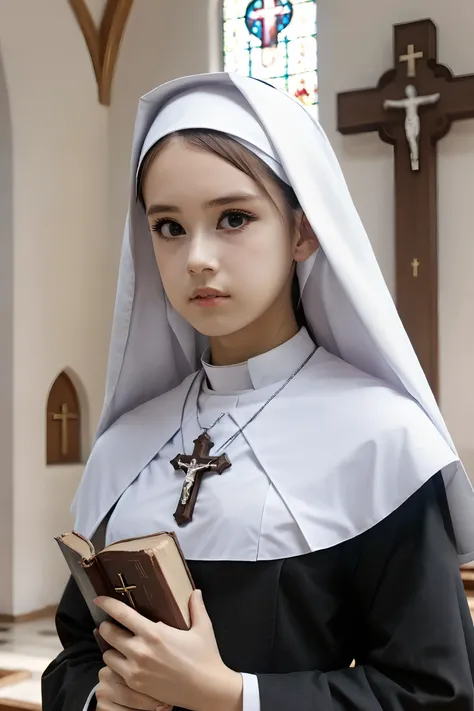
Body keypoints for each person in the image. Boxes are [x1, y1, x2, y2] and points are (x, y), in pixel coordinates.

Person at [42, 72, 474, 711]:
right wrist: (97, 701)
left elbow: (434, 692)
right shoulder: (128, 444)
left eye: (234, 217)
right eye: (169, 226)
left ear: (303, 231)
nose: (197, 258)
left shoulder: (382, 438)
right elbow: (76, 654)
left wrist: (236, 697)